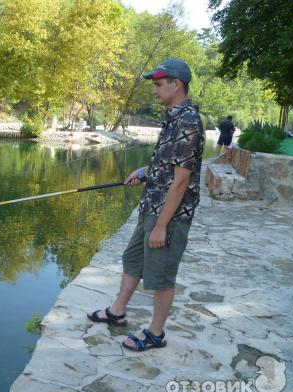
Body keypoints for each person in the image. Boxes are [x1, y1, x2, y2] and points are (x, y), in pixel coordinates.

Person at [87, 58, 205, 352]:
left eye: (158, 84)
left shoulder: (188, 122)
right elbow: (167, 166)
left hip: (169, 214)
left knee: (161, 275)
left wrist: (162, 226)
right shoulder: (173, 118)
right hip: (151, 205)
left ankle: (156, 333)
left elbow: (180, 181)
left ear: (176, 84)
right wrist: (144, 172)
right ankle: (117, 311)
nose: (154, 90)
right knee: (133, 260)